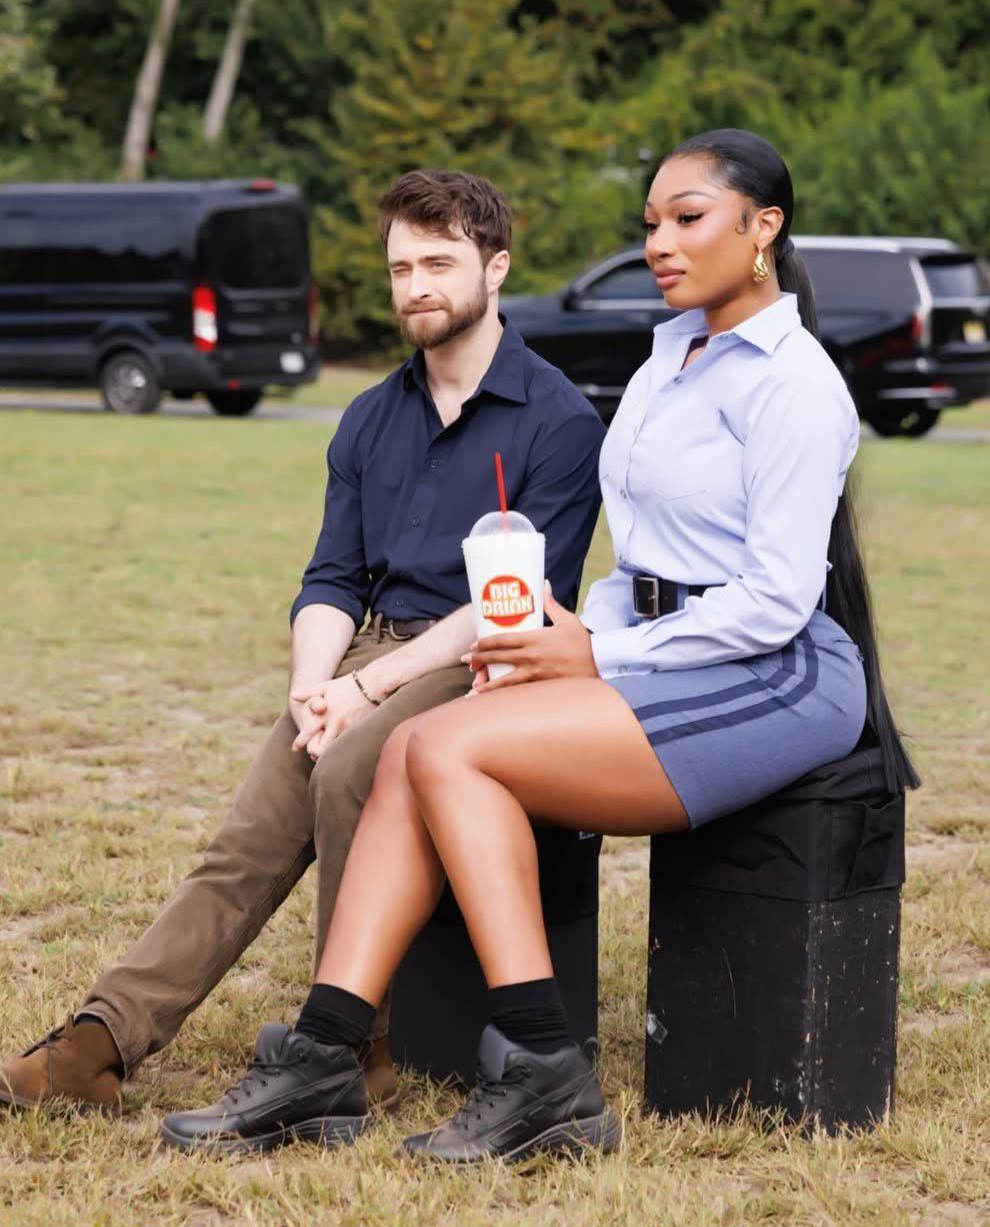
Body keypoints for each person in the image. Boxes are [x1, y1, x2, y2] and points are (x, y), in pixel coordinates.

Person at [162, 129, 919, 1162]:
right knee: (417, 745)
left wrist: (600, 657)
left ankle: (542, 1067)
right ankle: (328, 1052)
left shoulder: (795, 383)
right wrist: (571, 635)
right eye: (650, 222)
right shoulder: (666, 363)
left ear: (763, 229)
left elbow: (778, 602)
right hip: (659, 649)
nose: (659, 242)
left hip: (775, 672)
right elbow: (639, 566)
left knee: (448, 747)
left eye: (687, 218)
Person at [0, 170, 604, 1117]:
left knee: (350, 769)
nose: (416, 286)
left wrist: (365, 695)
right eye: (400, 268)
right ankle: (98, 1041)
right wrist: (313, 687)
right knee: (246, 839)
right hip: (366, 656)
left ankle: (349, 1049)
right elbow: (332, 578)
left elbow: (514, 606)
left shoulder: (560, 421)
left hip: (487, 664)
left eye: (439, 263)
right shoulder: (369, 417)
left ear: (496, 267)